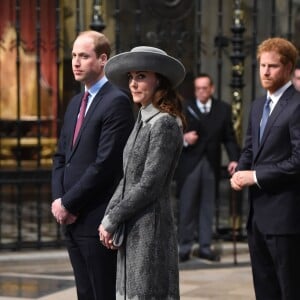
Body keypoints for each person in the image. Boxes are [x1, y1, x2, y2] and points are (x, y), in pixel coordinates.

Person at [51, 30, 134, 300]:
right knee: (84, 293)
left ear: (102, 60)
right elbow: (61, 156)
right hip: (72, 218)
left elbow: (105, 165)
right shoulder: (76, 102)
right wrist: (58, 201)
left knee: (102, 293)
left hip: (96, 217)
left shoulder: (117, 101)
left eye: (84, 56)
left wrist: (69, 204)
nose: (75, 62)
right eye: (74, 55)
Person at [98, 46, 186, 299]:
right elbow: (128, 177)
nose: (133, 84)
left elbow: (150, 183)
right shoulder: (142, 119)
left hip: (151, 227)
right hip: (133, 224)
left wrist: (113, 218)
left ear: (159, 79)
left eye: (141, 76)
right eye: (131, 77)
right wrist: (110, 217)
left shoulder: (165, 123)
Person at [230, 37, 300, 299]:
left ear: (289, 68)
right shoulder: (258, 105)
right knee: (264, 290)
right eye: (262, 65)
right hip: (257, 218)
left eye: (272, 66)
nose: (266, 72)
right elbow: (250, 149)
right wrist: (240, 173)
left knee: (289, 289)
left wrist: (255, 176)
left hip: (285, 219)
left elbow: (298, 161)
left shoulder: (297, 105)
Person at [176, 73, 240, 262]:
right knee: (187, 207)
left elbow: (229, 137)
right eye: (198, 88)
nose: (202, 91)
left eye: (205, 88)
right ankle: (184, 247)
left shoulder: (223, 109)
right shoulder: (185, 107)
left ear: (211, 88)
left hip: (211, 163)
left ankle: (205, 246)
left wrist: (234, 159)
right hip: (189, 165)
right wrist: (185, 139)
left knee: (208, 207)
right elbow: (171, 134)